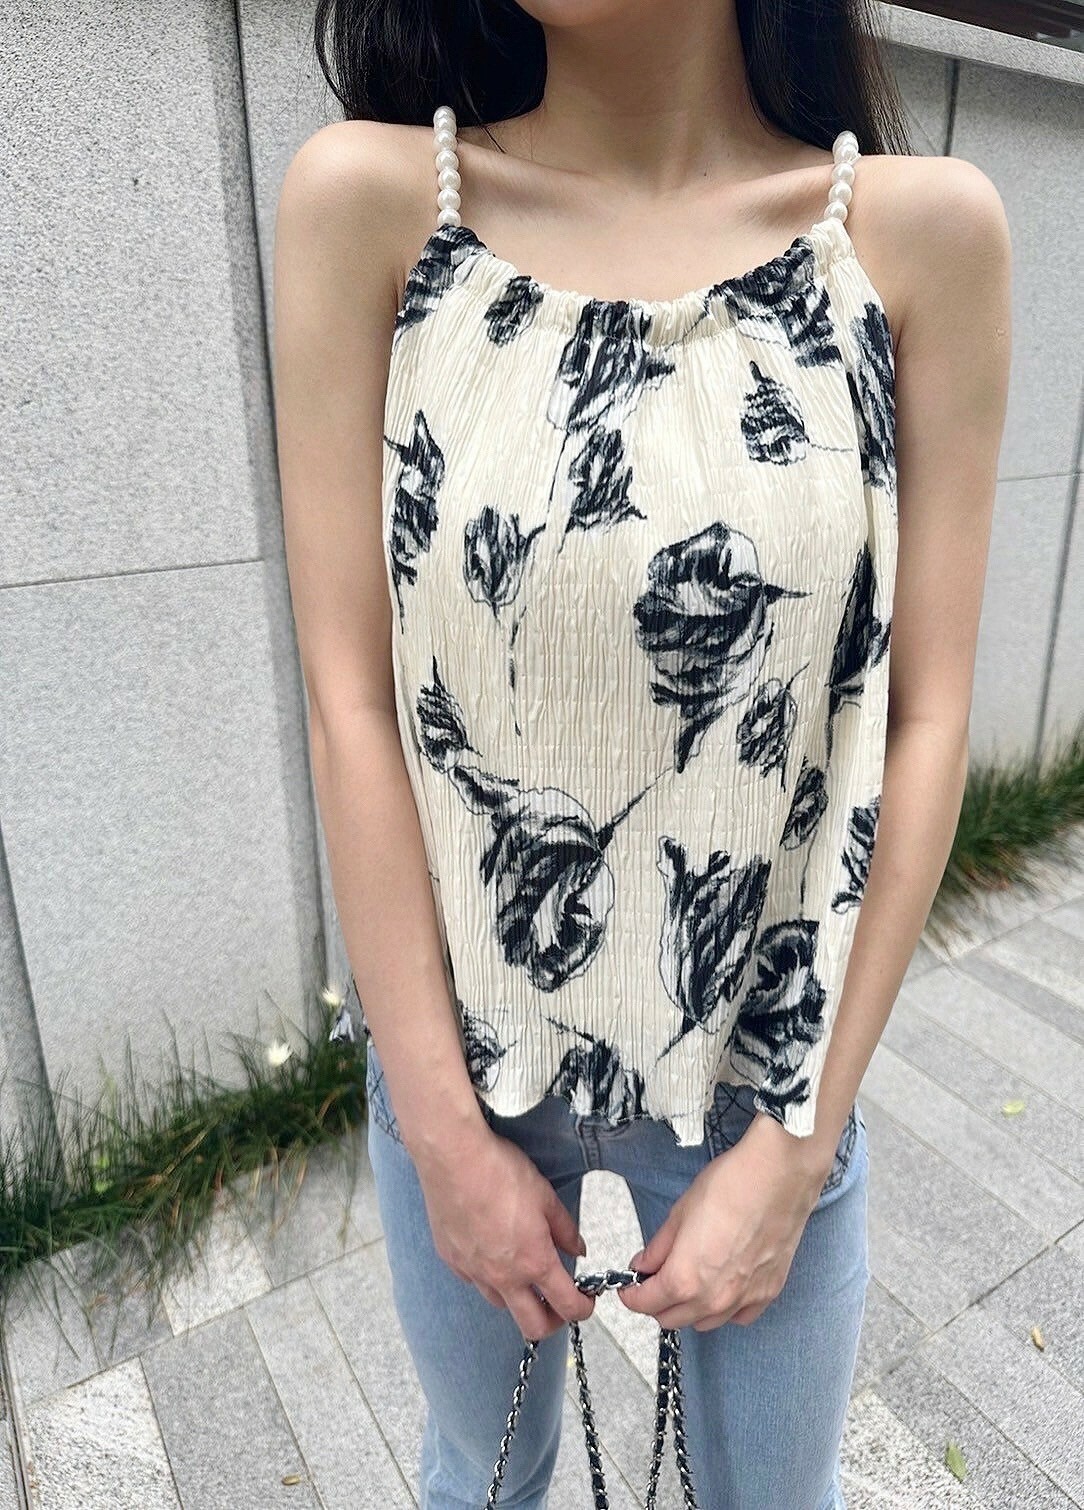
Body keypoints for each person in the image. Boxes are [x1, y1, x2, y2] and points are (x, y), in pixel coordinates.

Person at [272, 1, 1011, 1504]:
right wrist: (443, 1139)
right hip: (459, 1062)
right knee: (481, 1477)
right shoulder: (372, 209)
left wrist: (795, 1149)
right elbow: (352, 697)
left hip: (764, 1069)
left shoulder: (918, 241)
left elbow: (924, 717)